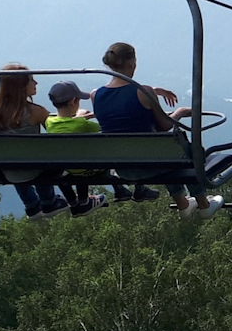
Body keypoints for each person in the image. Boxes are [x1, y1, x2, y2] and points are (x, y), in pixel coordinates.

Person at [93, 41, 220, 214]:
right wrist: (180, 112)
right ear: (132, 63)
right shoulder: (143, 92)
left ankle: (183, 205)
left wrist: (154, 91)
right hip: (152, 163)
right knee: (180, 150)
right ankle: (203, 204)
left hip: (123, 168)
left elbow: (120, 106)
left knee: (165, 151)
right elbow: (165, 125)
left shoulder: (96, 95)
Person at [0, 64, 62, 218]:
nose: (36, 83)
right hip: (35, 169)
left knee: (14, 157)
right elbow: (58, 129)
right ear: (20, 87)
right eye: (31, 80)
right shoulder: (36, 111)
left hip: (9, 170)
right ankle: (48, 201)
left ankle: (31, 204)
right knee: (47, 156)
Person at [43, 80, 108, 217]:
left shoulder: (49, 122)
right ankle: (84, 201)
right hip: (87, 170)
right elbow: (103, 127)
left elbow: (68, 123)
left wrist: (79, 117)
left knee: (70, 159)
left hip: (67, 168)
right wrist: (84, 116)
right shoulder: (81, 124)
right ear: (73, 101)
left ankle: (74, 202)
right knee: (83, 157)